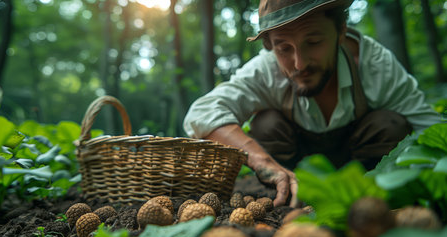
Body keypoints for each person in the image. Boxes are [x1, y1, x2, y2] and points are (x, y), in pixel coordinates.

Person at [183, 0, 441, 208]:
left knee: (390, 125)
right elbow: (202, 112)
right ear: (270, 47)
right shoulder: (265, 71)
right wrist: (262, 161)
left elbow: (430, 128)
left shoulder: (375, 66)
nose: (299, 64)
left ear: (341, 32)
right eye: (284, 48)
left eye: (314, 42)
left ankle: (369, 200)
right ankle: (287, 200)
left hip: (367, 172)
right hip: (294, 172)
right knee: (266, 124)